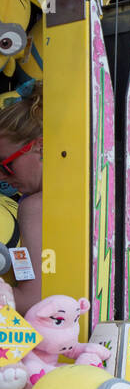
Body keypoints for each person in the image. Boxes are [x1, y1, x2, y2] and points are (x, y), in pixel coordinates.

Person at [0, 84, 43, 314]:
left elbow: (34, 300)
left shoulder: (34, 207)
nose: (0, 176)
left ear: (41, 147)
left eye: (6, 164)